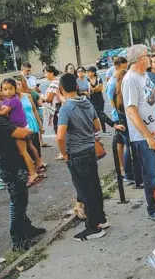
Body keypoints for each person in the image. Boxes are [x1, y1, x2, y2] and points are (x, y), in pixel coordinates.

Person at [0, 82, 46, 252]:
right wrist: (29, 129)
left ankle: (27, 228)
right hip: (9, 164)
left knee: (21, 198)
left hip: (10, 161)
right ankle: (17, 239)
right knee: (18, 200)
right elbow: (22, 133)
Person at [122, 44, 155, 223]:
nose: (150, 58)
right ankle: (154, 208)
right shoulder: (130, 80)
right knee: (151, 176)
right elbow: (131, 111)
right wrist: (148, 136)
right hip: (145, 139)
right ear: (139, 59)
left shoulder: (145, 75)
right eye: (147, 55)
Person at [56, 74, 108, 241]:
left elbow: (59, 136)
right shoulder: (86, 102)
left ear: (61, 89)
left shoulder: (66, 108)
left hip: (77, 154)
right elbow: (97, 126)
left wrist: (64, 154)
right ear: (77, 87)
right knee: (94, 186)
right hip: (90, 149)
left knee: (85, 191)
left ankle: (93, 227)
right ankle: (101, 218)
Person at [0, 78, 44, 187]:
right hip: (20, 125)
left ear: (15, 89)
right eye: (5, 89)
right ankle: (38, 163)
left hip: (20, 126)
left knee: (23, 152)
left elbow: (3, 112)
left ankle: (33, 173)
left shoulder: (14, 100)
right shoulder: (8, 98)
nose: (8, 92)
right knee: (28, 147)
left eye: (10, 89)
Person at [112, 69, 143, 188]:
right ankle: (130, 174)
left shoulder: (116, 91)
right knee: (131, 150)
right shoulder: (124, 90)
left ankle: (129, 174)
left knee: (128, 149)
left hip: (122, 123)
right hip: (128, 124)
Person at [16, 80, 46, 174]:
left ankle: (39, 163)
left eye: (19, 84)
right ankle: (31, 165)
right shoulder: (13, 100)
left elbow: (34, 111)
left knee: (36, 143)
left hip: (32, 122)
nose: (18, 86)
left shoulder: (27, 96)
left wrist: (40, 125)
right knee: (27, 146)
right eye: (16, 85)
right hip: (23, 125)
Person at [41, 65, 63, 159]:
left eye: (46, 73)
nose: (45, 75)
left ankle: (63, 152)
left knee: (58, 132)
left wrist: (42, 97)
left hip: (56, 110)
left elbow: (49, 99)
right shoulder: (58, 81)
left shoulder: (54, 83)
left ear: (51, 73)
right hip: (59, 109)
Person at [87, 66, 109, 136]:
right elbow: (89, 90)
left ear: (93, 72)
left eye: (89, 71)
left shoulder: (99, 79)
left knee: (101, 114)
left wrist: (93, 89)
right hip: (91, 99)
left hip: (99, 98)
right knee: (93, 115)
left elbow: (101, 88)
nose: (88, 73)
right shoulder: (87, 80)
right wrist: (95, 88)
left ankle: (104, 130)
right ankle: (95, 131)